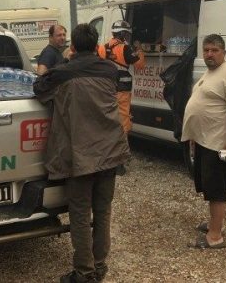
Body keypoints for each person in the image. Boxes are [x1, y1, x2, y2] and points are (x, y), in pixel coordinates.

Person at [34, 23, 131, 283]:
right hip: (110, 151)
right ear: (96, 43)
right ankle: (99, 267)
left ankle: (84, 272)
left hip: (80, 155)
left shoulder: (63, 72)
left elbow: (38, 88)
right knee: (103, 211)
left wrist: (64, 63)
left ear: (72, 46)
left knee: (79, 214)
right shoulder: (110, 69)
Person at [181, 34, 226, 250]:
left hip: (218, 142)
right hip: (203, 140)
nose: (209, 54)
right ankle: (213, 224)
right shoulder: (211, 72)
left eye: (214, 50)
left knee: (217, 189)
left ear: (224, 52)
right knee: (209, 186)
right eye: (206, 50)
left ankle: (215, 237)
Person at [97, 20, 145, 134]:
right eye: (127, 34)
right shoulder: (125, 48)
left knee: (109, 115)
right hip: (122, 89)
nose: (128, 37)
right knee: (123, 116)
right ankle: (123, 145)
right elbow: (140, 66)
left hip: (106, 89)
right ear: (122, 34)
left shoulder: (102, 48)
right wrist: (140, 50)